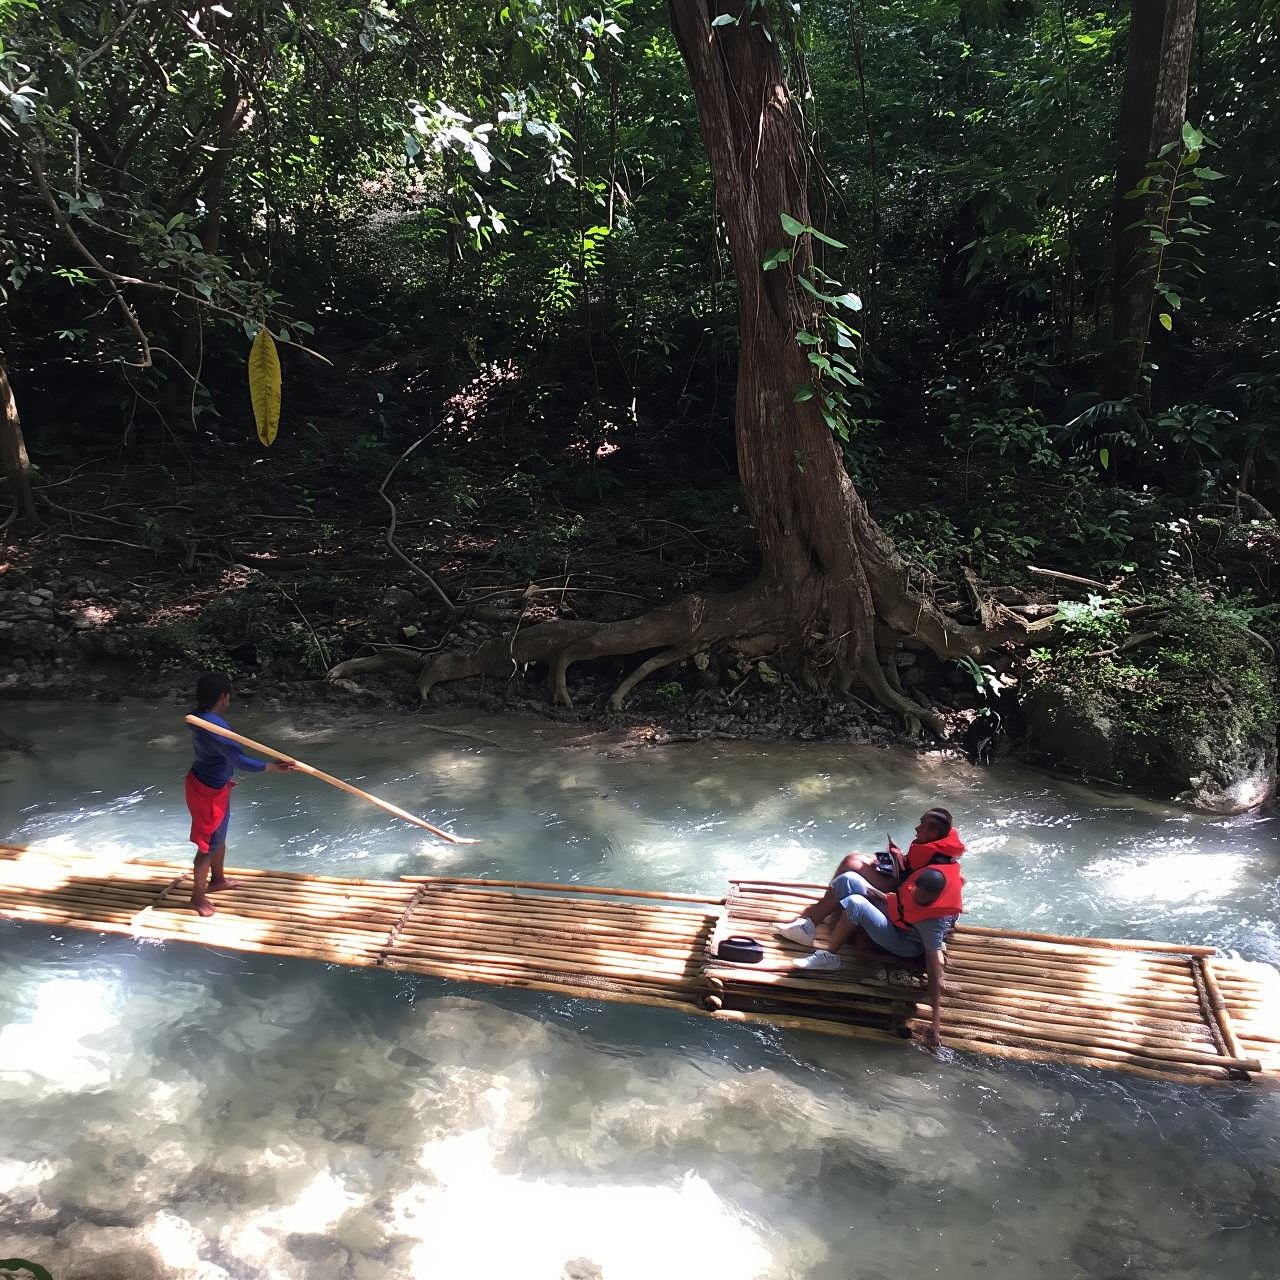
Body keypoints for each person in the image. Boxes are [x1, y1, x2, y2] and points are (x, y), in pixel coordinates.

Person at [773, 807, 966, 1048]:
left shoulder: (933, 921)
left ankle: (830, 956)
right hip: (899, 918)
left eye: (922, 825)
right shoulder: (923, 883)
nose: (916, 829)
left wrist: (935, 1026)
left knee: (856, 903)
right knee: (849, 880)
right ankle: (807, 928)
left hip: (903, 941)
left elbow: (936, 969)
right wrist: (874, 888)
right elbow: (903, 902)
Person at [184, 672, 293, 917]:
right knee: (207, 845)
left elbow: (226, 755)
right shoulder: (214, 728)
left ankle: (218, 880)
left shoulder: (197, 719)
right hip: (207, 790)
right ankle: (197, 897)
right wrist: (274, 767)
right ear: (224, 697)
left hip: (214, 784)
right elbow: (240, 761)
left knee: (219, 836)